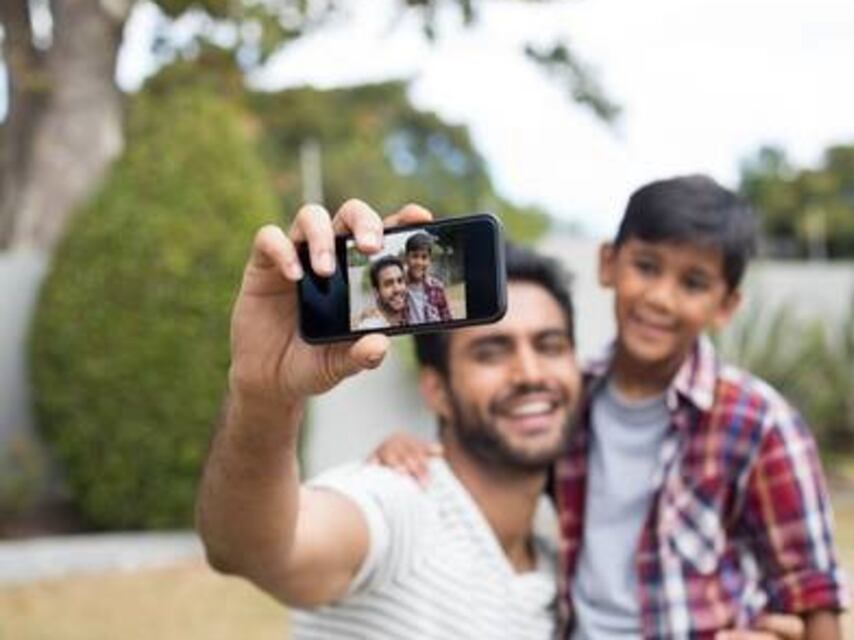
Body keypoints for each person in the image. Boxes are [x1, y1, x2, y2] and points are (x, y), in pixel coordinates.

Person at [376, 176, 848, 640]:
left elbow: (812, 587)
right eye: (646, 267)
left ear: (725, 306)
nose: (660, 298)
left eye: (694, 282)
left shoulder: (759, 422)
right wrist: (406, 448)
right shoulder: (567, 400)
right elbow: (489, 464)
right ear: (608, 264)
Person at [195, 200, 582, 639]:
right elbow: (255, 550)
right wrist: (262, 398)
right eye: (491, 352)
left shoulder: (561, 570)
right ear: (436, 390)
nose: (530, 374)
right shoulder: (400, 505)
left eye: (550, 345)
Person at [403, 230, 453, 324]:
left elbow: (447, 318)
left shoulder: (437, 287)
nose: (419, 262)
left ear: (429, 260)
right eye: (414, 256)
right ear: (406, 258)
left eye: (424, 257)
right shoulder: (400, 288)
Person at [354, 254, 408, 329]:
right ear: (376, 292)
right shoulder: (370, 327)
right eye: (388, 284)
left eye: (400, 281)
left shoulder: (410, 316)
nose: (397, 289)